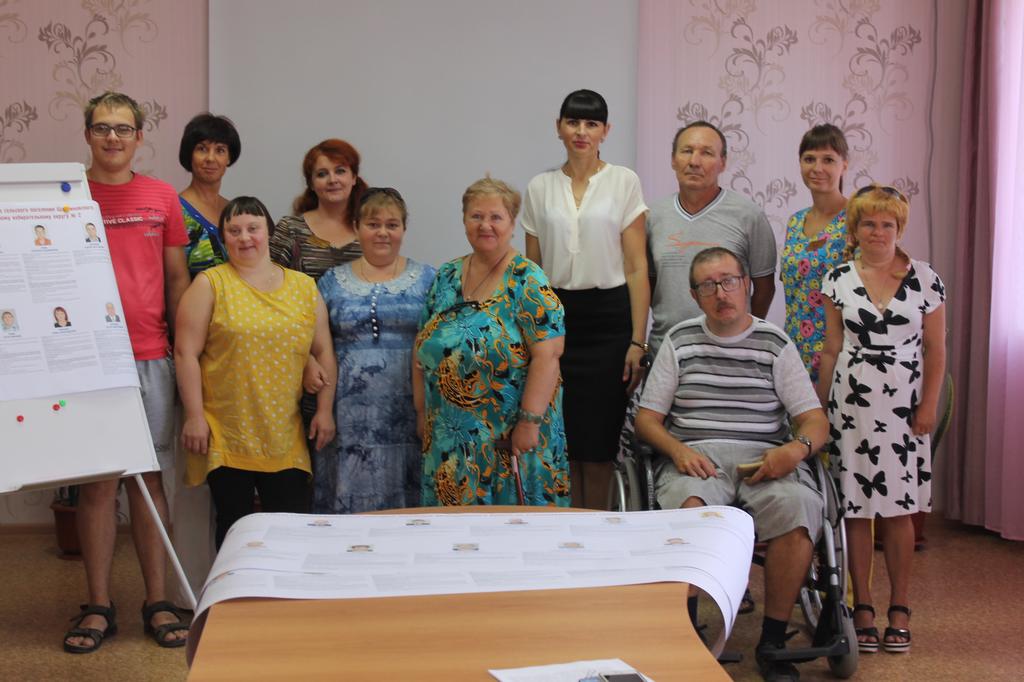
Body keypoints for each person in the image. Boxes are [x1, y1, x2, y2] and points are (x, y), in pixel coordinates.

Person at [635, 247, 828, 681]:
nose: (720, 293)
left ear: (747, 286)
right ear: (694, 295)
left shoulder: (775, 343)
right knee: (688, 511)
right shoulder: (680, 341)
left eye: (728, 281)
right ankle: (684, 632)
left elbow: (815, 420)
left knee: (798, 510)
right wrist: (678, 451)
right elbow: (647, 420)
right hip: (697, 458)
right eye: (708, 286)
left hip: (766, 458)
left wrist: (795, 450)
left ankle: (773, 641)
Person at [63, 91, 191, 653]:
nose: (111, 137)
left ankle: (156, 600)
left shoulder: (162, 197)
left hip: (149, 354)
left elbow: (177, 280)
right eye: (101, 128)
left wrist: (182, 351)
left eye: (122, 128)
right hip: (86, 358)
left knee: (149, 479)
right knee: (97, 483)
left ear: (139, 136)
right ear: (87, 134)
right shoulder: (65, 196)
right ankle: (98, 604)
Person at [818, 185, 946, 655]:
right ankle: (864, 607)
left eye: (886, 224)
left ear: (899, 228)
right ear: (855, 230)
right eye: (868, 223)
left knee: (898, 510)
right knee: (856, 508)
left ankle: (900, 608)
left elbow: (937, 350)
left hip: (904, 408)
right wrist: (818, 411)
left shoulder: (926, 279)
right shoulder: (837, 279)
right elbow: (831, 348)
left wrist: (929, 405)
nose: (877, 231)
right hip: (851, 404)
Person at [175, 196, 336, 547]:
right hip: (227, 431)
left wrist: (324, 410)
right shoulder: (209, 284)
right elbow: (186, 352)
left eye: (253, 228)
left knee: (289, 530)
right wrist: (194, 416)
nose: (245, 237)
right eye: (234, 231)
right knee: (235, 529)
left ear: (269, 232)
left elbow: (323, 350)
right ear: (223, 237)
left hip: (284, 433)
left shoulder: (303, 287)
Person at [522, 89, 648, 509]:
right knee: (562, 438)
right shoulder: (539, 187)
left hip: (609, 322)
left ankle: (598, 530)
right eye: (573, 122)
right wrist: (531, 335)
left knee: (599, 443)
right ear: (558, 127)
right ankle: (568, 530)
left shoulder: (624, 181)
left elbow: (636, 268)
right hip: (557, 321)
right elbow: (532, 272)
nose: (581, 131)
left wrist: (638, 340)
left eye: (591, 123)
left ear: (606, 131)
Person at [415, 177, 569, 506]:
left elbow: (549, 355)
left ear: (512, 223)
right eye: (476, 216)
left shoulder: (527, 279)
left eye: (495, 217)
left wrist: (529, 423)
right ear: (464, 221)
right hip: (448, 442)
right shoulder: (446, 276)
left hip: (510, 445)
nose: (485, 225)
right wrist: (420, 413)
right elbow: (421, 348)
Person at [313, 188, 435, 513]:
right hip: (348, 418)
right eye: (373, 224)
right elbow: (316, 347)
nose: (383, 232)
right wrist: (322, 409)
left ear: (404, 230)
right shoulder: (330, 282)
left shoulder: (430, 280)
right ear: (356, 227)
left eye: (392, 225)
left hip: (412, 414)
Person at [646, 121, 777, 355]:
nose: (694, 161)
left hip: (731, 353)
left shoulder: (748, 216)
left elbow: (764, 289)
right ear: (673, 160)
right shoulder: (652, 217)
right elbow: (648, 286)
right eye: (687, 151)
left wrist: (743, 335)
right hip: (666, 349)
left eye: (706, 153)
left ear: (723, 162)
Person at [780, 125, 849, 384]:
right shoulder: (795, 222)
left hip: (839, 354)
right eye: (809, 159)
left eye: (828, 160)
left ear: (844, 165)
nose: (817, 168)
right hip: (795, 350)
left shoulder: (858, 220)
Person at [271, 138, 366, 280]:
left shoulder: (371, 228)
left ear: (354, 177)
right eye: (322, 174)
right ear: (311, 183)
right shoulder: (290, 229)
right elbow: (268, 281)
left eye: (340, 171)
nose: (332, 180)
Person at [178, 113, 241, 276]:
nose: (211, 158)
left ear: (229, 158)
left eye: (220, 150)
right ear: (190, 154)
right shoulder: (175, 210)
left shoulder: (236, 212)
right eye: (202, 149)